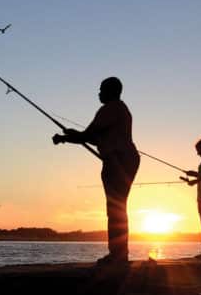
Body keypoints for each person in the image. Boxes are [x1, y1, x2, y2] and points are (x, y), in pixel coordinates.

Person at [53, 77, 140, 265]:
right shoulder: (121, 109)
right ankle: (119, 253)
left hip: (118, 160)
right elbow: (94, 138)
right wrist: (71, 136)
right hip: (124, 159)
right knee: (118, 207)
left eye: (101, 90)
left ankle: (118, 255)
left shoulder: (110, 108)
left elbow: (88, 135)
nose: (98, 93)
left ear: (111, 91)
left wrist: (66, 137)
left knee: (115, 208)